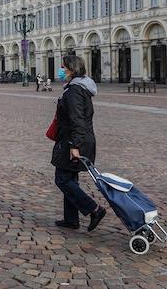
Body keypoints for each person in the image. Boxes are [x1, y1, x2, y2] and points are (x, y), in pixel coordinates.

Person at [51, 54, 106, 232]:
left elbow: (77, 120)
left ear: (72, 69)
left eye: (63, 67)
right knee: (70, 178)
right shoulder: (79, 88)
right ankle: (71, 219)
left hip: (73, 141)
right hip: (76, 139)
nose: (61, 70)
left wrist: (74, 146)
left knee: (62, 179)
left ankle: (94, 209)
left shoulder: (74, 90)